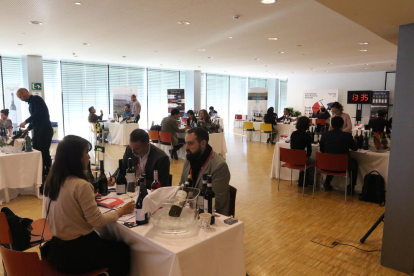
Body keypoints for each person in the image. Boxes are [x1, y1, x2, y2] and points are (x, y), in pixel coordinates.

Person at [43, 135, 134, 275]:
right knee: (122, 250)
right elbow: (97, 222)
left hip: (57, 249)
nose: (89, 157)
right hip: (77, 254)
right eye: (86, 153)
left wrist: (87, 201)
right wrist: (121, 211)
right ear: (75, 157)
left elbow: (66, 205)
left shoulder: (53, 179)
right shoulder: (80, 185)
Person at [180, 127, 230, 215]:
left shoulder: (219, 165)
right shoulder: (189, 158)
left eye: (190, 143)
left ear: (203, 143)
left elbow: (217, 202)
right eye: (186, 143)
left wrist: (189, 201)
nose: (186, 148)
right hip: (190, 211)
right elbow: (181, 185)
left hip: (211, 216)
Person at [17, 88, 53, 179]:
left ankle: (48, 173)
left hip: (45, 131)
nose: (21, 99)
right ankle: (40, 173)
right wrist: (27, 129)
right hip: (38, 132)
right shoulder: (30, 104)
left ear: (25, 92)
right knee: (37, 152)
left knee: (44, 152)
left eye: (21, 96)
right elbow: (36, 119)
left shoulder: (36, 99)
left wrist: (25, 121)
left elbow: (38, 114)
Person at [319, 116, 358, 194]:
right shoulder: (347, 136)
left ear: (331, 125)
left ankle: (327, 182)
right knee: (354, 163)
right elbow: (355, 148)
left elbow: (322, 150)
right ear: (343, 125)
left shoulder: (325, 135)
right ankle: (351, 186)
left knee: (332, 159)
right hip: (342, 165)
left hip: (326, 165)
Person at [290, 117, 313, 186]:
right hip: (302, 159)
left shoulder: (293, 134)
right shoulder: (307, 135)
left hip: (292, 158)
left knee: (304, 160)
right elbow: (309, 151)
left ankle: (303, 180)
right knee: (312, 161)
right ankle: (308, 180)